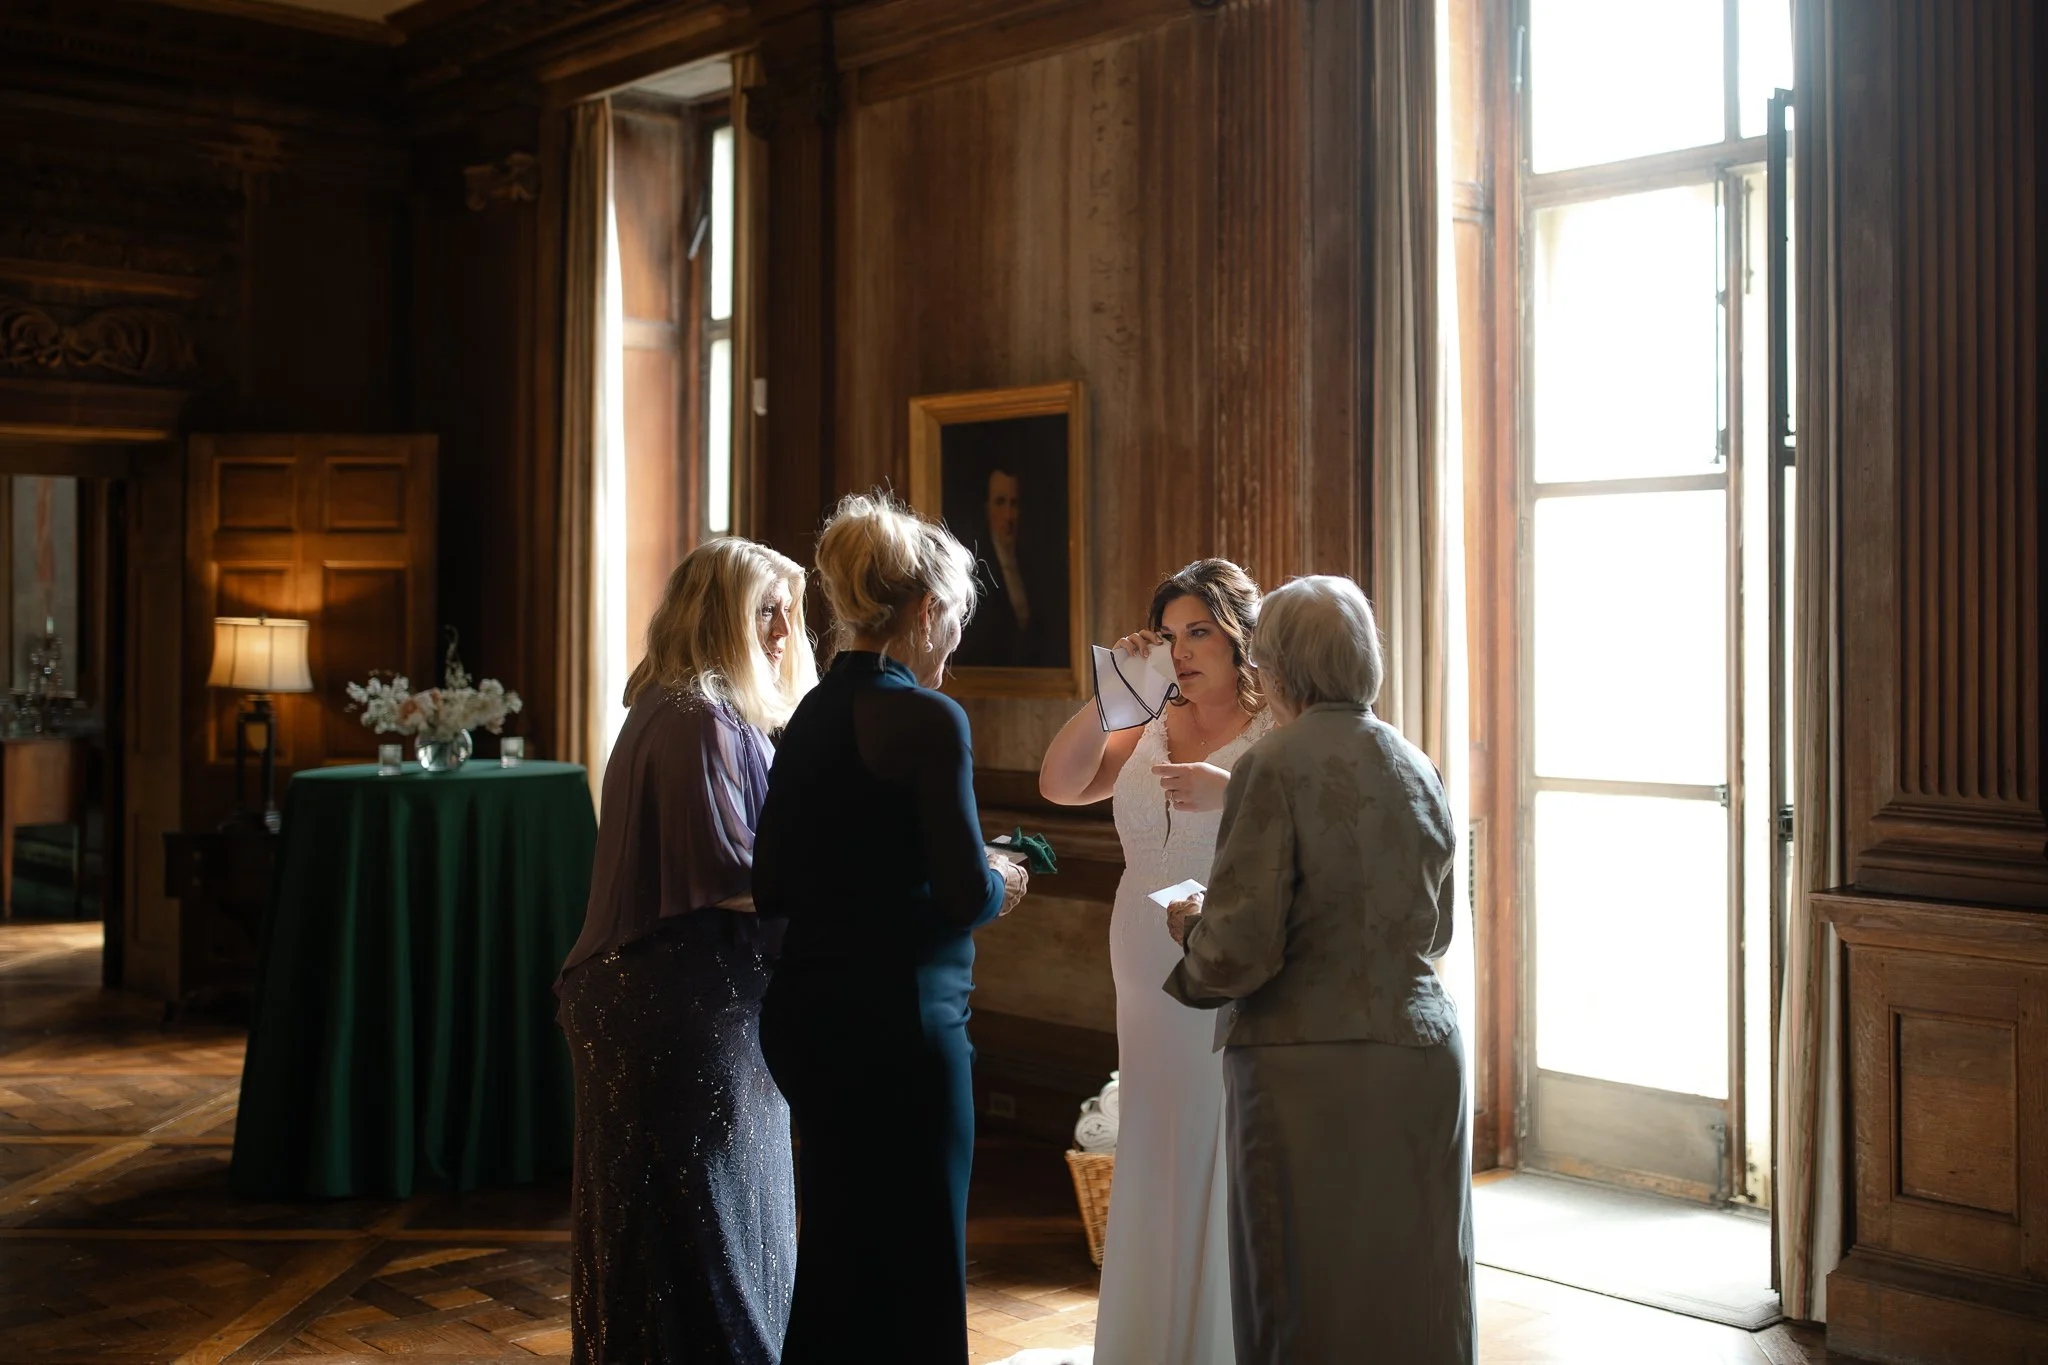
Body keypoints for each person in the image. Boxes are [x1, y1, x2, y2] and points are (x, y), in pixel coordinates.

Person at [1162, 575, 1472, 1365]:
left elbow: (1241, 947)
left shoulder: (1273, 763)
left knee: (1304, 1294)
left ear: (1278, 664)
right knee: (1418, 1288)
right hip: (1422, 1053)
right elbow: (1434, 929)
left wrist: (1192, 927)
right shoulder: (1417, 762)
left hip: (1306, 1065)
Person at [753, 491, 1030, 1365]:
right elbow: (959, 897)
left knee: (837, 1260)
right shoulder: (926, 717)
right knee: (919, 1267)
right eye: (952, 619)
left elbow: (773, 883)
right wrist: (1004, 875)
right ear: (924, 610)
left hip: (808, 1023)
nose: (952, 640)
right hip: (903, 1031)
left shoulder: (808, 716)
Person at [556, 536, 819, 1365]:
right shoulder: (697, 716)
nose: (783, 629)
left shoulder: (689, 706)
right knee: (702, 1236)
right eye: (764, 610)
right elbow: (734, 875)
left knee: (697, 1224)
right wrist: (862, 881)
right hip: (672, 1005)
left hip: (688, 996)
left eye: (789, 609)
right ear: (718, 615)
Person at [1036, 558, 1269, 1365]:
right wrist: (1119, 689)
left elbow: (1314, 832)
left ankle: (1219, 1336)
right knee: (1153, 1137)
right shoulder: (1150, 716)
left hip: (1225, 954)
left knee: (1220, 1133)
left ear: (1242, 634)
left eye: (1199, 630)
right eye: (1168, 635)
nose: (1182, 651)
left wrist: (1230, 792)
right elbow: (1059, 784)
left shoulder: (1278, 725)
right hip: (1139, 952)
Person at [957, 466, 1068, 669]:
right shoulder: (974, 568)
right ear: (987, 508)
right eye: (1000, 503)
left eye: (1013, 504)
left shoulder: (1030, 565)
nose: (1008, 515)